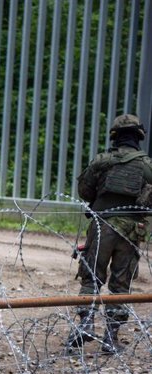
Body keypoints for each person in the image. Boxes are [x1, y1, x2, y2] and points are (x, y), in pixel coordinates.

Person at [66, 113, 152, 353]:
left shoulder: (102, 161)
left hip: (102, 226)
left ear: (114, 136)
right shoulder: (146, 165)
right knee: (120, 284)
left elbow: (85, 190)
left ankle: (85, 325)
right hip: (133, 231)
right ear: (139, 136)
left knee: (91, 276)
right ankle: (111, 338)